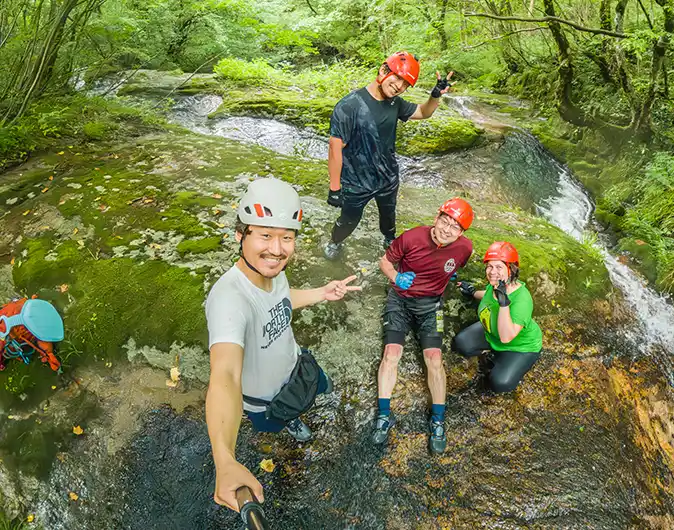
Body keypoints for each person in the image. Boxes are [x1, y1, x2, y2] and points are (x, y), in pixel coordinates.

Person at [205, 178, 362, 512]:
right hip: (267, 401)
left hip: (297, 366)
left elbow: (281, 300)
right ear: (240, 235)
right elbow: (225, 376)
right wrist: (224, 458)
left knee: (318, 389)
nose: (277, 249)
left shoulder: (273, 272)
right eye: (265, 235)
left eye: (286, 237)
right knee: (280, 420)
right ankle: (289, 421)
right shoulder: (228, 300)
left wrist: (322, 292)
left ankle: (299, 410)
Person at [324, 51, 456, 260]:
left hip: (387, 178)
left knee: (388, 216)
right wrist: (334, 188)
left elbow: (423, 112)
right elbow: (335, 148)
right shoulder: (349, 105)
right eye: (398, 79)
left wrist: (435, 94)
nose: (399, 87)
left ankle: (389, 239)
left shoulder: (396, 104)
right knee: (348, 220)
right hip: (356, 181)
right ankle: (335, 241)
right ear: (384, 70)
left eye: (405, 85)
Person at [372, 198, 474, 455]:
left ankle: (438, 419)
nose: (446, 229)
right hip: (400, 300)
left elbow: (455, 267)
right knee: (391, 354)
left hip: (431, 306)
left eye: (455, 227)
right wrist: (396, 277)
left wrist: (448, 275)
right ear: (436, 217)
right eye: (445, 220)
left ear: (461, 233)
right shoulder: (412, 237)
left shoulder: (464, 249)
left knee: (435, 359)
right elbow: (384, 261)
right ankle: (384, 415)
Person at [453, 242, 542, 393]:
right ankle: (491, 352)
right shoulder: (496, 285)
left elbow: (506, 337)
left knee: (500, 384)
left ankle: (509, 361)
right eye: (489, 266)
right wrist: (472, 291)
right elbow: (487, 294)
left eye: (499, 267)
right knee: (461, 344)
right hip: (491, 334)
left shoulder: (522, 299)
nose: (492, 272)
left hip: (519, 347)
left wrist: (504, 303)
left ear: (511, 269)